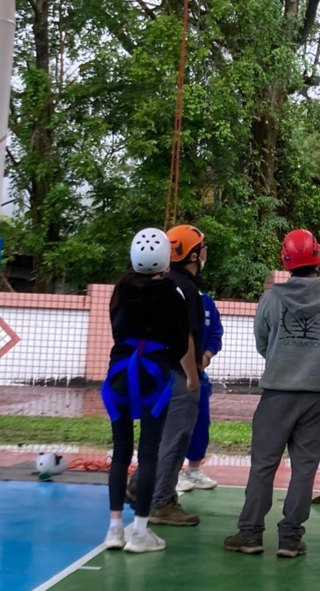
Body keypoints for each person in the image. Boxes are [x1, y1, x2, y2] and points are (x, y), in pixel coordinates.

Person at [224, 229, 320, 559]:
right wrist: (311, 364)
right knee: (304, 469)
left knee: (263, 466)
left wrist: (285, 361)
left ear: (286, 259)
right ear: (318, 257)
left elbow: (263, 343)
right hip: (317, 397)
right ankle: (291, 539)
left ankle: (250, 534)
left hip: (277, 393)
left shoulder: (271, 299)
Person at [102, 228, 189, 554]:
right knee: (149, 451)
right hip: (154, 379)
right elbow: (180, 342)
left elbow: (116, 328)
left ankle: (114, 530)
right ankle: (139, 531)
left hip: (118, 377)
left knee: (120, 451)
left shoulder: (121, 290)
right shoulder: (174, 292)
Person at [129, 224, 206, 526]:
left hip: (152, 371)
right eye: (202, 248)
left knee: (157, 437)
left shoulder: (159, 282)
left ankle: (140, 486)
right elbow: (183, 335)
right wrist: (192, 374)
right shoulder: (184, 288)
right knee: (176, 439)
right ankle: (161, 502)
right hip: (177, 373)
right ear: (193, 254)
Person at [177, 291, 224, 493]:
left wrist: (205, 358)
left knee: (201, 422)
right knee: (175, 425)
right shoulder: (174, 296)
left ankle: (194, 470)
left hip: (199, 375)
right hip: (173, 375)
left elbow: (216, 333)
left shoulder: (206, 301)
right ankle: (172, 471)